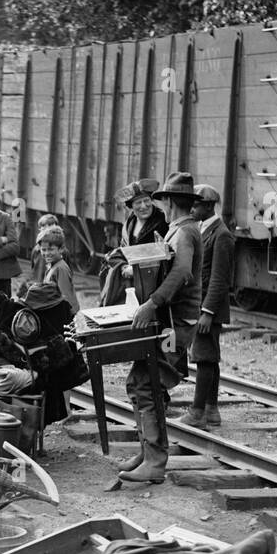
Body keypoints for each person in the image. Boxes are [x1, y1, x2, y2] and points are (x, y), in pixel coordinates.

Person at [119, 171, 203, 483]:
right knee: (138, 382)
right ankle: (148, 451)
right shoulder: (176, 231)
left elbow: (180, 272)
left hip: (174, 327)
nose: (161, 207)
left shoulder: (183, 234)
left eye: (163, 201)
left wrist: (150, 303)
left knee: (148, 384)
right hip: (167, 322)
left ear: (170, 202)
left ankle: (154, 461)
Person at [179, 184, 236, 429]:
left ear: (208, 206)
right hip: (203, 308)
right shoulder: (206, 229)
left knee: (203, 357)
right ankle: (212, 411)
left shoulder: (221, 234)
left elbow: (219, 279)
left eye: (196, 205)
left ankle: (197, 412)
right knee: (210, 358)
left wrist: (207, 312)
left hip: (208, 310)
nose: (192, 209)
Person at [36, 227, 77, 311]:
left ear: (61, 249)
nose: (47, 253)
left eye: (51, 249)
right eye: (43, 250)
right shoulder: (52, 266)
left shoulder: (60, 269)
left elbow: (66, 298)